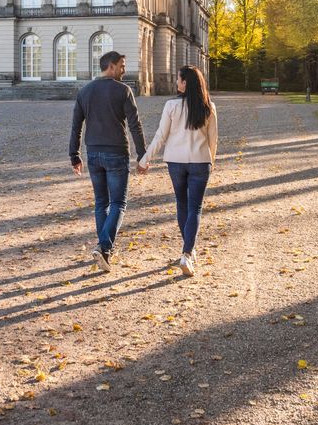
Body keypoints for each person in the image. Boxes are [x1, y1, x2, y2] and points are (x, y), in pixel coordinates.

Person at [69, 51, 147, 272]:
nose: (124, 69)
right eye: (122, 65)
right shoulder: (123, 90)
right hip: (116, 153)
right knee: (118, 203)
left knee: (101, 203)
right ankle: (103, 247)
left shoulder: (85, 91)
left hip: (93, 153)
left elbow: (76, 126)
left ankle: (104, 250)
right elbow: (135, 124)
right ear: (111, 66)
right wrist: (142, 154)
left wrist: (74, 155)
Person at [138, 65, 218, 277]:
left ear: (185, 83)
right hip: (200, 162)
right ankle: (188, 251)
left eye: (179, 79)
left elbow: (160, 136)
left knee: (182, 204)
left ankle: (187, 250)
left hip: (176, 162)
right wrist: (212, 161)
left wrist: (145, 160)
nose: (176, 82)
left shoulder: (171, 105)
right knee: (195, 208)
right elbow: (213, 140)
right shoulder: (208, 106)